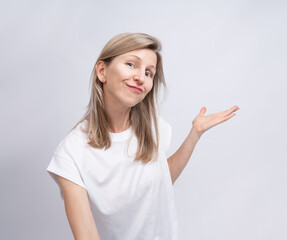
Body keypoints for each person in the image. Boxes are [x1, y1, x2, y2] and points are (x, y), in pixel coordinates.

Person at [46, 32, 239, 240]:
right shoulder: (71, 153)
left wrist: (195, 134)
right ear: (102, 71)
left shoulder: (154, 128)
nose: (140, 77)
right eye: (131, 64)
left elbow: (160, 181)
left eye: (149, 73)